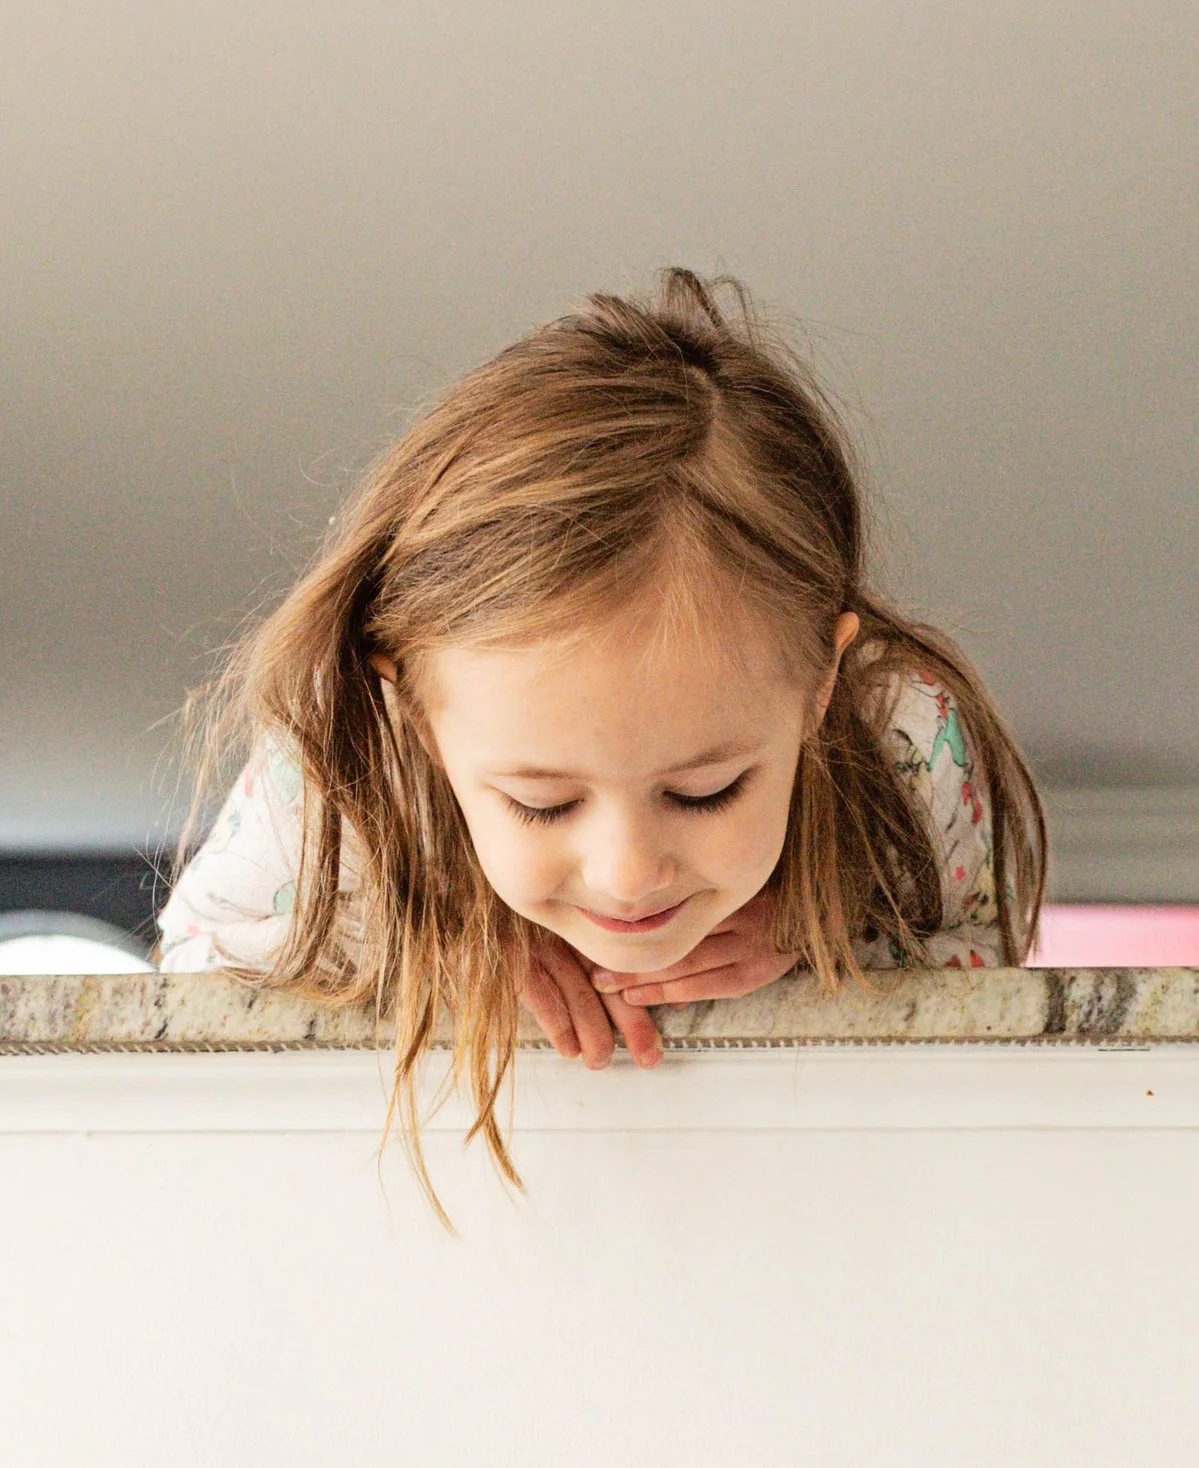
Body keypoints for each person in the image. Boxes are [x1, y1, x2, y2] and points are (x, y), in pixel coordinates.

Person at [163, 271, 1044, 1182]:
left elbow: (988, 985)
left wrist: (830, 939)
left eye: (706, 791)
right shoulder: (348, 758)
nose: (628, 873)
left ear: (821, 683)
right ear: (419, 718)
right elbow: (189, 982)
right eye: (541, 804)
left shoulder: (902, 736)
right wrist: (446, 938)